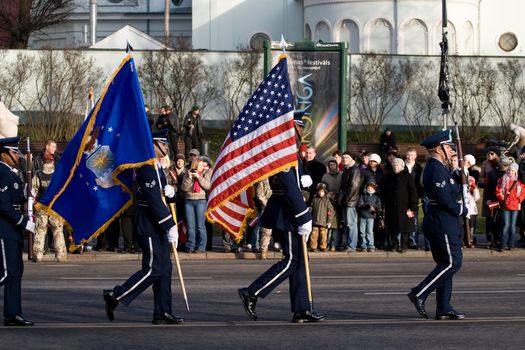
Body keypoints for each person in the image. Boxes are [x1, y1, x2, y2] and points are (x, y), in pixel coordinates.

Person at [238, 111, 325, 323]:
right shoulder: (284, 151)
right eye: (299, 126)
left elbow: (292, 182)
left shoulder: (291, 151)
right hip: (286, 213)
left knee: (300, 261)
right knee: (291, 261)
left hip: (290, 211)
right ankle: (252, 292)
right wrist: (304, 215)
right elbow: (286, 186)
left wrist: (303, 178)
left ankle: (301, 308)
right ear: (291, 127)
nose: (301, 130)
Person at [103, 130, 183, 325]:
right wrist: (170, 224)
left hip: (158, 224)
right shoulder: (146, 167)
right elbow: (153, 200)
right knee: (152, 269)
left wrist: (171, 193)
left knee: (165, 269)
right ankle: (116, 295)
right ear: (153, 145)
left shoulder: (157, 167)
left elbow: (163, 196)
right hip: (149, 224)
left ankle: (162, 311)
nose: (166, 148)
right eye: (163, 145)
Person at [408, 129, 467, 321]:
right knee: (452, 262)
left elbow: (450, 190)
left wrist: (459, 176)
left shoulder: (440, 168)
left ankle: (443, 306)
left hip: (443, 222)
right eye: (448, 147)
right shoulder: (435, 168)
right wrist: (462, 210)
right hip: (443, 223)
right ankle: (419, 293)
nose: (451, 151)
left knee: (445, 265)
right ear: (439, 149)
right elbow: (444, 199)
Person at [0, 136, 36, 326]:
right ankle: (12, 313)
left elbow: (15, 199)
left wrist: (26, 198)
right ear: (4, 154)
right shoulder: (2, 172)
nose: (17, 155)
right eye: (14, 152)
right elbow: (2, 205)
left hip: (12, 230)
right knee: (5, 273)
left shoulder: (12, 173)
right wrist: (23, 222)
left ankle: (12, 313)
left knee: (15, 272)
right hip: (4, 229)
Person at [32, 158, 67, 263]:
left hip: (42, 206)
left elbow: (33, 191)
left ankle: (38, 255)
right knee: (58, 231)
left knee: (40, 231)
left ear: (42, 163)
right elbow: (62, 190)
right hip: (55, 207)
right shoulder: (58, 174)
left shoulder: (38, 174)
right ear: (53, 163)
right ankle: (61, 256)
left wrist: (34, 203)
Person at [380, 157, 418, 252]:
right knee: (392, 226)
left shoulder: (408, 176)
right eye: (394, 165)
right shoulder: (388, 176)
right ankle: (394, 244)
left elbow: (412, 191)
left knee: (405, 226)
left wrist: (413, 205)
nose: (395, 167)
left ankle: (404, 245)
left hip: (405, 206)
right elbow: (383, 190)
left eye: (397, 165)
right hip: (391, 205)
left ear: (402, 166)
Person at [181, 156, 210, 253]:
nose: (203, 166)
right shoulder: (188, 173)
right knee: (190, 225)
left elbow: (207, 186)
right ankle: (190, 246)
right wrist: (189, 178)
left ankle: (201, 247)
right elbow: (184, 188)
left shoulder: (205, 173)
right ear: (196, 165)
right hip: (189, 201)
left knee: (200, 225)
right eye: (201, 164)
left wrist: (199, 177)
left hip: (200, 201)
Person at [495, 162, 525, 251]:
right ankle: (502, 244)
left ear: (515, 171)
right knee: (505, 225)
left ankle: (511, 245)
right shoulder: (502, 180)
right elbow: (498, 190)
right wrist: (502, 198)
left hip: (515, 205)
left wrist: (519, 199)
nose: (510, 172)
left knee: (512, 226)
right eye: (509, 170)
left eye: (512, 170)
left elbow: (523, 192)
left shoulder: (519, 182)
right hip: (505, 206)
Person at [339, 152, 363, 252]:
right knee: (348, 224)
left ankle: (351, 245)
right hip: (347, 200)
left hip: (351, 201)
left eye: (347, 157)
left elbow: (354, 186)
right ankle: (349, 244)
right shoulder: (347, 169)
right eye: (343, 158)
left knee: (351, 224)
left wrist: (346, 198)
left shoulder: (355, 169)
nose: (344, 159)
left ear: (351, 159)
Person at [321, 157, 342, 251]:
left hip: (339, 201)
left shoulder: (342, 175)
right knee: (328, 223)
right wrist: (328, 193)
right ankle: (326, 243)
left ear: (337, 165)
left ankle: (335, 244)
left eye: (333, 164)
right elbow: (322, 187)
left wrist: (339, 195)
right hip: (328, 201)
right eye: (330, 165)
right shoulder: (325, 176)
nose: (332, 166)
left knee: (337, 224)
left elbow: (345, 186)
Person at [405, 148, 423, 249]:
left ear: (415, 156)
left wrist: (417, 196)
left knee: (413, 219)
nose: (409, 157)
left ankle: (413, 241)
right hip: (403, 198)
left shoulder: (418, 168)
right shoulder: (402, 166)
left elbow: (420, 184)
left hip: (413, 199)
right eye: (408, 155)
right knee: (404, 219)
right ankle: (405, 240)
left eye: (411, 155)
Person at [357, 180, 381, 252]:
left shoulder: (376, 197)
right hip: (363, 216)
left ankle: (371, 245)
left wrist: (374, 208)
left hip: (371, 217)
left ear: (374, 189)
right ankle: (363, 245)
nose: (369, 189)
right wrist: (367, 206)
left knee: (370, 232)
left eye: (371, 188)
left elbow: (379, 206)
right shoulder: (363, 196)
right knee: (362, 232)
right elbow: (359, 204)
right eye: (368, 187)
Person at [309, 183, 334, 252]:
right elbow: (311, 210)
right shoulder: (314, 200)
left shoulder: (327, 201)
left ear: (325, 192)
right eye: (319, 191)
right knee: (314, 235)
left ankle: (323, 247)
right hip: (315, 221)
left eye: (322, 191)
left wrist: (329, 221)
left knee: (323, 235)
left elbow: (330, 211)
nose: (321, 193)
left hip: (324, 222)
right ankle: (313, 247)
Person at [466, 175, 480, 247]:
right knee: (466, 226)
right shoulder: (465, 190)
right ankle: (466, 240)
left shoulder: (474, 190)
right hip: (466, 211)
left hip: (473, 212)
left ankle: (471, 239)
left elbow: (477, 198)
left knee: (472, 227)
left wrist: (474, 189)